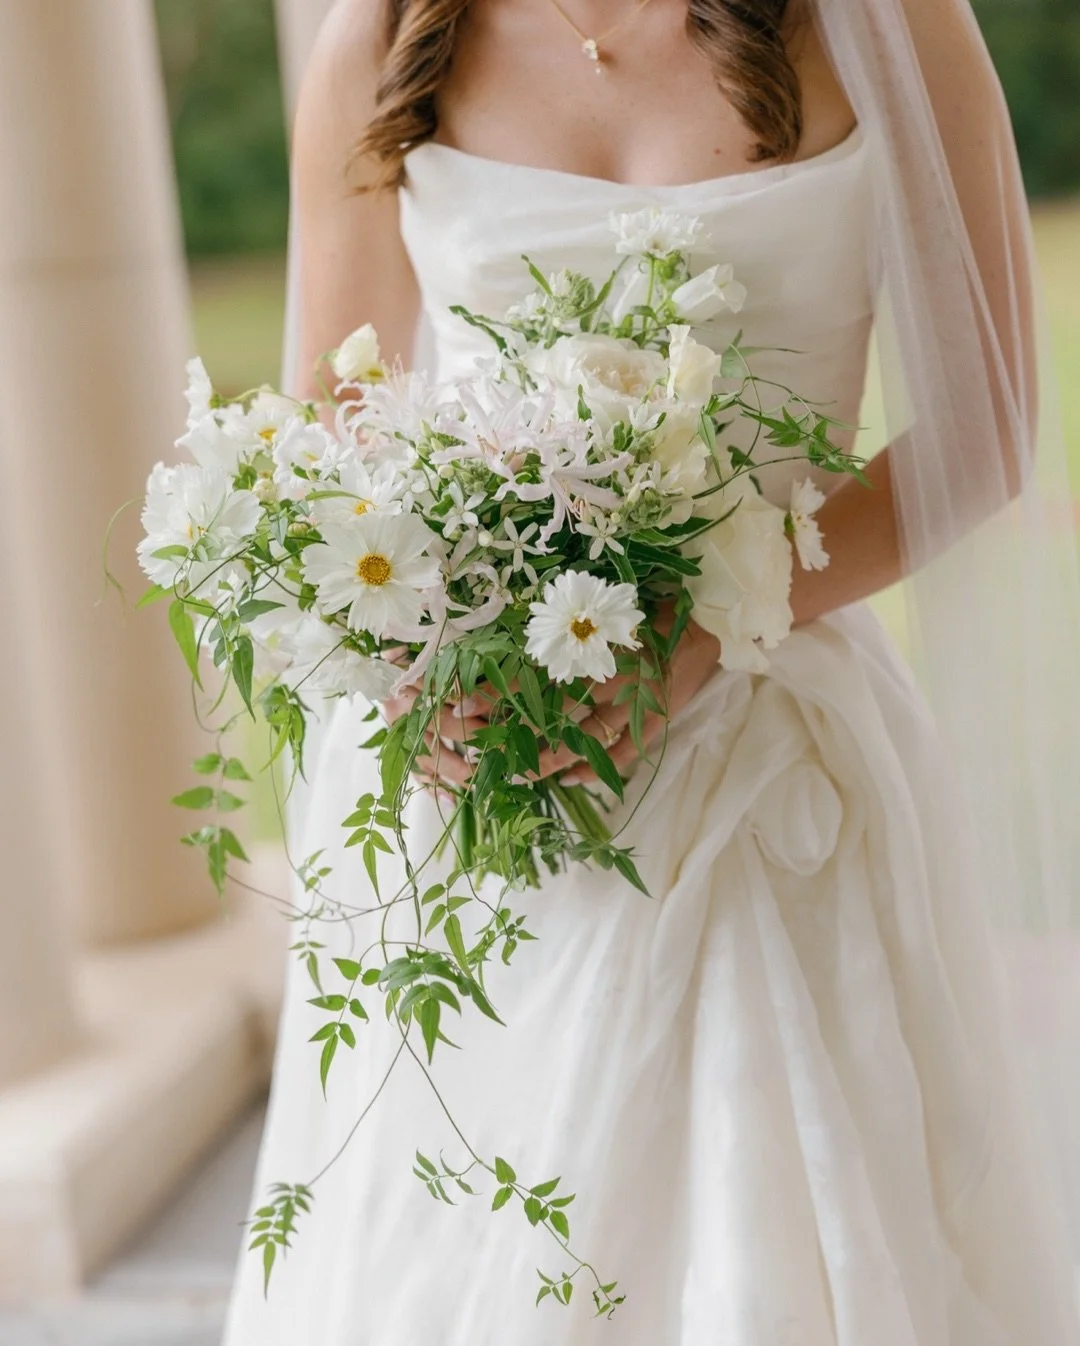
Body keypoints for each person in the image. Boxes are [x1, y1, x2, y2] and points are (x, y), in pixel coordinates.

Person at [223, 0, 1080, 1340]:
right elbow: (328, 447)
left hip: (777, 766)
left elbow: (988, 421)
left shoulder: (886, 25)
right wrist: (425, 675)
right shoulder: (381, 41)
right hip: (488, 797)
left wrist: (698, 629)